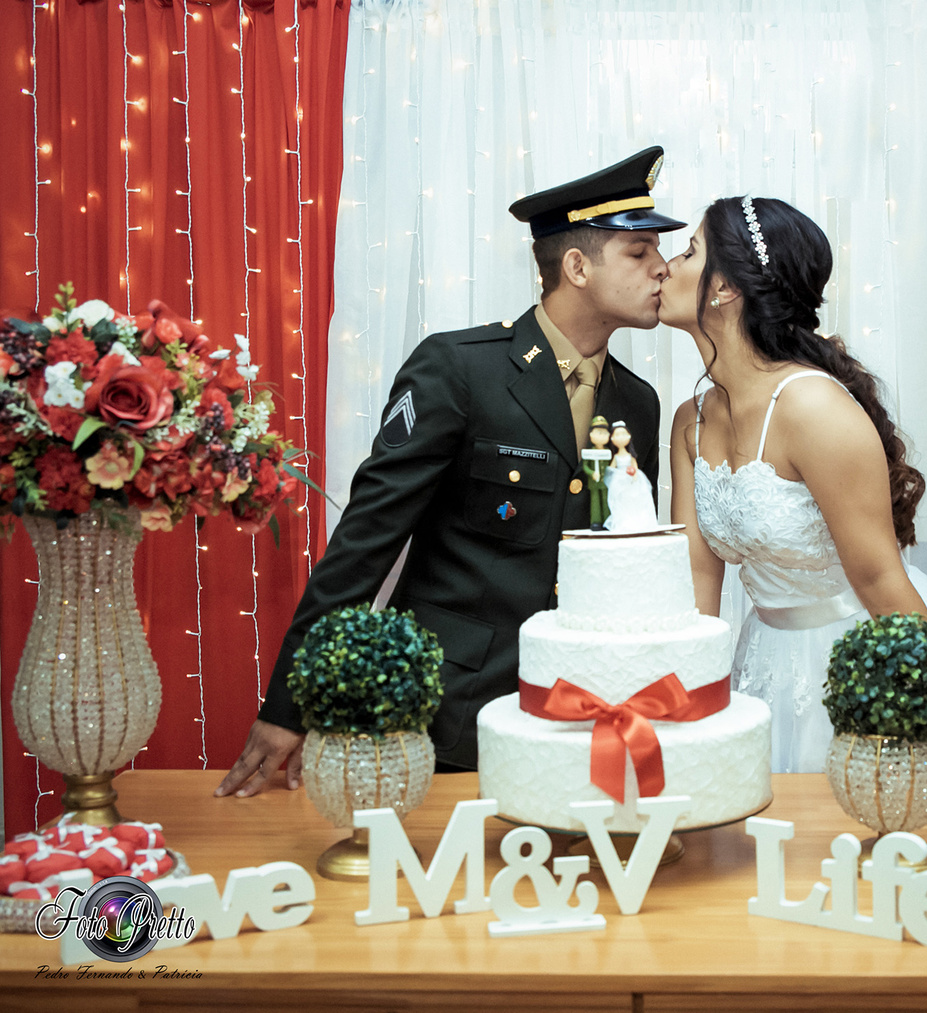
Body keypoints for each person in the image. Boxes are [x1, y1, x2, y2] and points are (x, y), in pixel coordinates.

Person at [216, 147, 685, 797]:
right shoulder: (460, 369)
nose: (663, 267)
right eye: (639, 252)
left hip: (581, 716)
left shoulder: (637, 402)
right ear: (577, 266)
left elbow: (624, 565)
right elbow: (366, 542)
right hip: (451, 718)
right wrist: (290, 706)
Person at [662, 196, 927, 802]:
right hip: (766, 662)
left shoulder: (812, 407)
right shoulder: (691, 420)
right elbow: (698, 587)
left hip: (870, 656)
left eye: (689, 252)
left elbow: (880, 579)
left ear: (724, 288)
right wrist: (686, 712)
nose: (667, 266)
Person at [602, 420, 656, 531]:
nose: (621, 438)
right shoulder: (616, 457)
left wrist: (634, 475)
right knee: (620, 499)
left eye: (623, 434)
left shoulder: (630, 456)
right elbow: (612, 468)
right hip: (619, 479)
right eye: (617, 435)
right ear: (612, 438)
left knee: (633, 498)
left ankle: (635, 520)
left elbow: (634, 466)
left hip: (630, 478)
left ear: (629, 436)